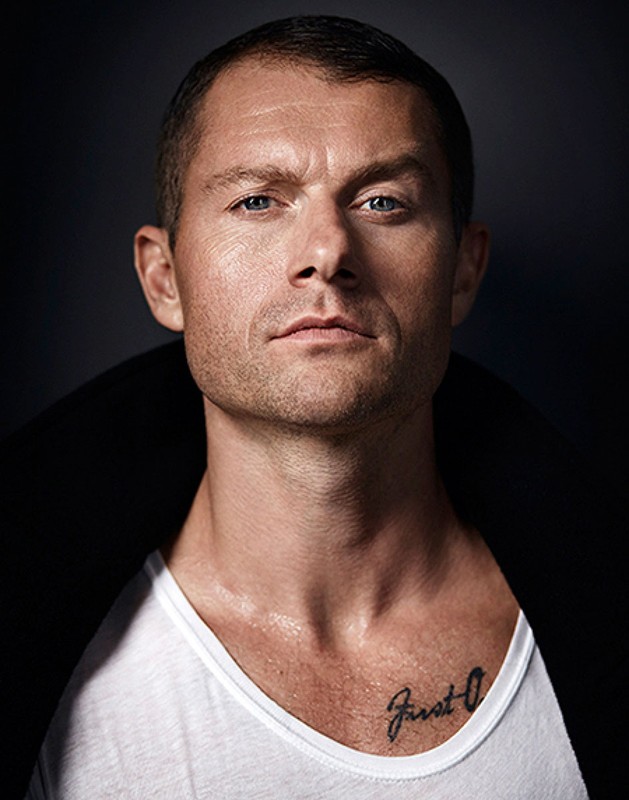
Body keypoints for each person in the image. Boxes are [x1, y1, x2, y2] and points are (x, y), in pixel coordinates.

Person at [1, 15, 625, 799]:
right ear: (164, 279)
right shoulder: (36, 651)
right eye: (259, 201)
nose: (327, 251)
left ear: (462, 272)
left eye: (383, 202)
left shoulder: (601, 617)